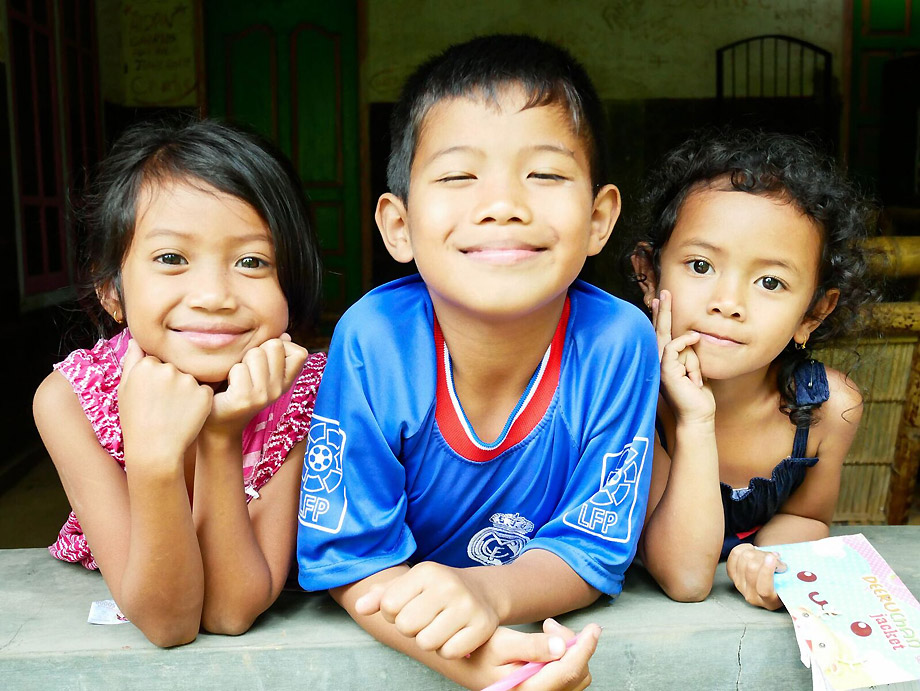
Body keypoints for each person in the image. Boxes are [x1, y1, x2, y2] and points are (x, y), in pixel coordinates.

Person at [296, 34, 658, 690]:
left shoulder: (619, 341)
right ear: (398, 225)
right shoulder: (374, 340)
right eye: (459, 176)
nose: (503, 205)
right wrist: (476, 659)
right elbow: (353, 559)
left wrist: (489, 597)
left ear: (601, 217)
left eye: (544, 174)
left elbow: (592, 546)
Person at [33, 119, 326, 647]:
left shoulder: (303, 389)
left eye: (251, 261)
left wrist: (221, 435)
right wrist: (152, 460)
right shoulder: (72, 400)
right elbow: (167, 623)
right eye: (172, 258)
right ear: (110, 290)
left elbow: (231, 611)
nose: (213, 295)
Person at [629, 129, 876, 610]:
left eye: (770, 281)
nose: (729, 303)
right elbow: (685, 576)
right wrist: (695, 420)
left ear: (814, 313)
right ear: (650, 274)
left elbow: (808, 517)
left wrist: (769, 561)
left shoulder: (828, 409)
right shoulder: (631, 399)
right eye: (701, 266)